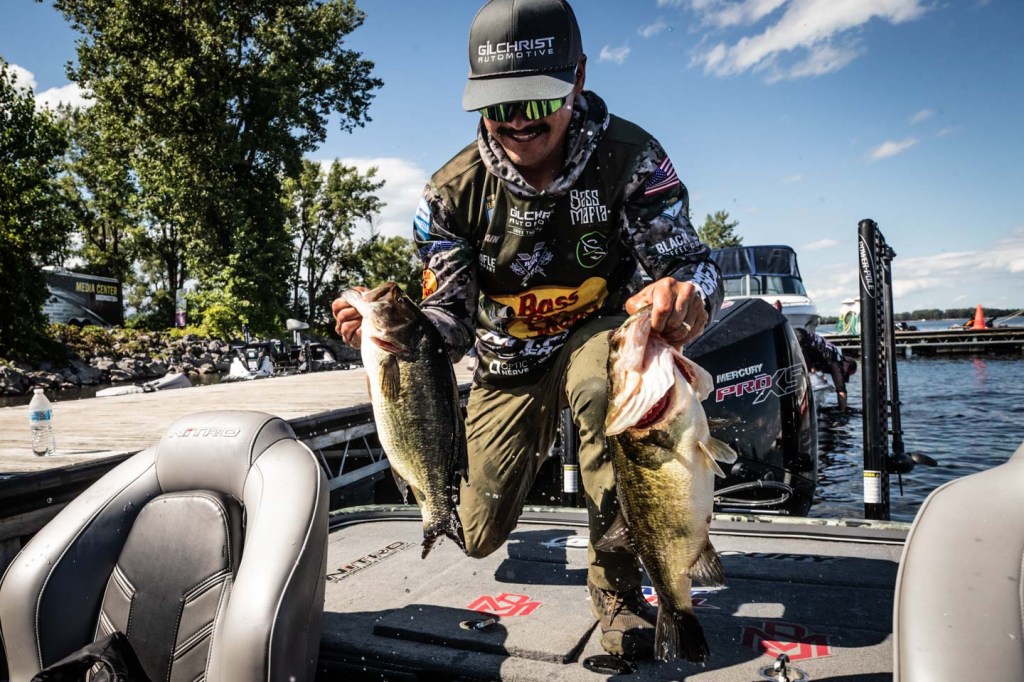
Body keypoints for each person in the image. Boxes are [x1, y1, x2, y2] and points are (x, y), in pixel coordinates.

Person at [332, 0, 722, 660]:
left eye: (536, 100)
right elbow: (448, 317)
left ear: (577, 78)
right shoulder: (450, 194)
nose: (516, 119)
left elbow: (692, 266)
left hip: (603, 340)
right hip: (507, 361)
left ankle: (619, 594)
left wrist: (688, 295)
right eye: (498, 103)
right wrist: (385, 341)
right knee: (473, 530)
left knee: (604, 389)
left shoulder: (633, 158)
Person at [794, 327, 857, 411]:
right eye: (845, 374)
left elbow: (818, 354)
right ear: (846, 366)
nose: (843, 375)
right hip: (801, 339)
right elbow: (842, 392)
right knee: (810, 370)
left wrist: (819, 374)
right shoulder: (836, 362)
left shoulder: (832, 354)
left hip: (795, 333)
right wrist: (843, 411)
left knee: (811, 370)